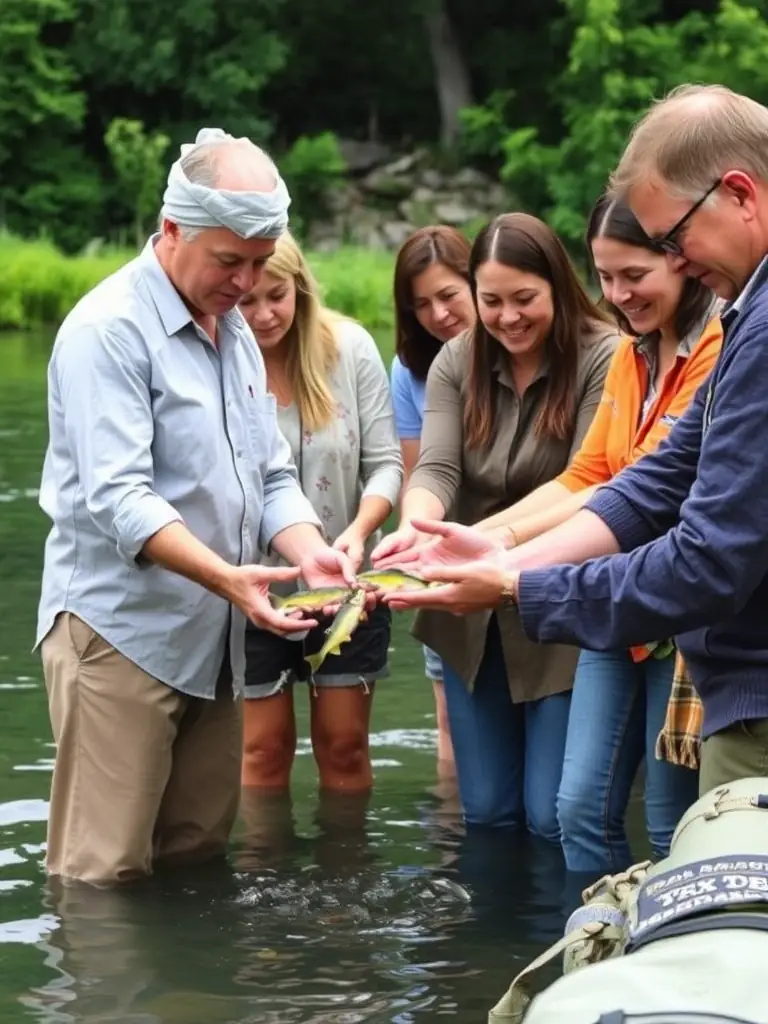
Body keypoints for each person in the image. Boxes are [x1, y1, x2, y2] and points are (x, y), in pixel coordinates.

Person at [378, 84, 768, 799]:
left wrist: (513, 583)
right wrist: (499, 552)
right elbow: (655, 482)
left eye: (674, 242)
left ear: (740, 194)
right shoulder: (745, 318)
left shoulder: (756, 329)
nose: (679, 264)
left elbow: (709, 558)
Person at [35, 128, 360, 888]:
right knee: (103, 875)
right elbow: (120, 498)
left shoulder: (234, 330)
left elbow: (271, 473)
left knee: (194, 862)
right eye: (229, 261)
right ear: (173, 230)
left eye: (259, 262)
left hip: (215, 641)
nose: (246, 282)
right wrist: (230, 579)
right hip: (120, 639)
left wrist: (311, 550)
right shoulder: (108, 331)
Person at [388, 195, 722, 872]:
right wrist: (443, 538)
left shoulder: (667, 351)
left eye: (634, 275)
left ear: (681, 261)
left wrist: (499, 554)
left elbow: (629, 488)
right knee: (564, 814)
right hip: (580, 601)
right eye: (608, 277)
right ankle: (564, 954)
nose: (620, 294)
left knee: (646, 823)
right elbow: (591, 475)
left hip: (633, 604)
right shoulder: (634, 356)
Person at [372, 212, 619, 838]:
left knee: (549, 815)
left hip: (560, 607)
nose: (508, 318)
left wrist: (489, 542)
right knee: (484, 812)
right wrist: (417, 525)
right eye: (492, 302)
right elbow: (436, 468)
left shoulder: (604, 356)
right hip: (466, 611)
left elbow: (587, 482)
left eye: (525, 299)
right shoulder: (458, 357)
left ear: (558, 288)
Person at [237, 231, 402, 794]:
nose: (263, 315)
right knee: (262, 751)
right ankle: (262, 875)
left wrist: (359, 532)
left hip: (350, 581)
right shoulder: (221, 362)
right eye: (246, 301)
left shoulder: (351, 349)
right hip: (256, 586)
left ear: (301, 288)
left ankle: (348, 875)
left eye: (276, 296)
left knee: (344, 745)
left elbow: (386, 466)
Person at [390, 226, 474, 777]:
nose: (438, 314)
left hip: (522, 548)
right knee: (449, 719)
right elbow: (420, 470)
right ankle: (452, 837)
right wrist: (412, 542)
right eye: (421, 304)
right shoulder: (409, 372)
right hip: (443, 556)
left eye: (448, 295)